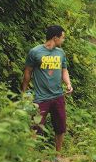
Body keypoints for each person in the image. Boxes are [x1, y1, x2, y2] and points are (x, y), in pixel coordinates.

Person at [21, 25, 73, 155]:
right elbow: (27, 72)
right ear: (55, 38)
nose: (63, 40)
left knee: (60, 127)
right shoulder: (35, 52)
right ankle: (30, 156)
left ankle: (58, 155)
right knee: (35, 128)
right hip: (40, 97)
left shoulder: (61, 53)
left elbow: (64, 70)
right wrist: (24, 92)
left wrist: (68, 83)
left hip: (58, 96)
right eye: (62, 37)